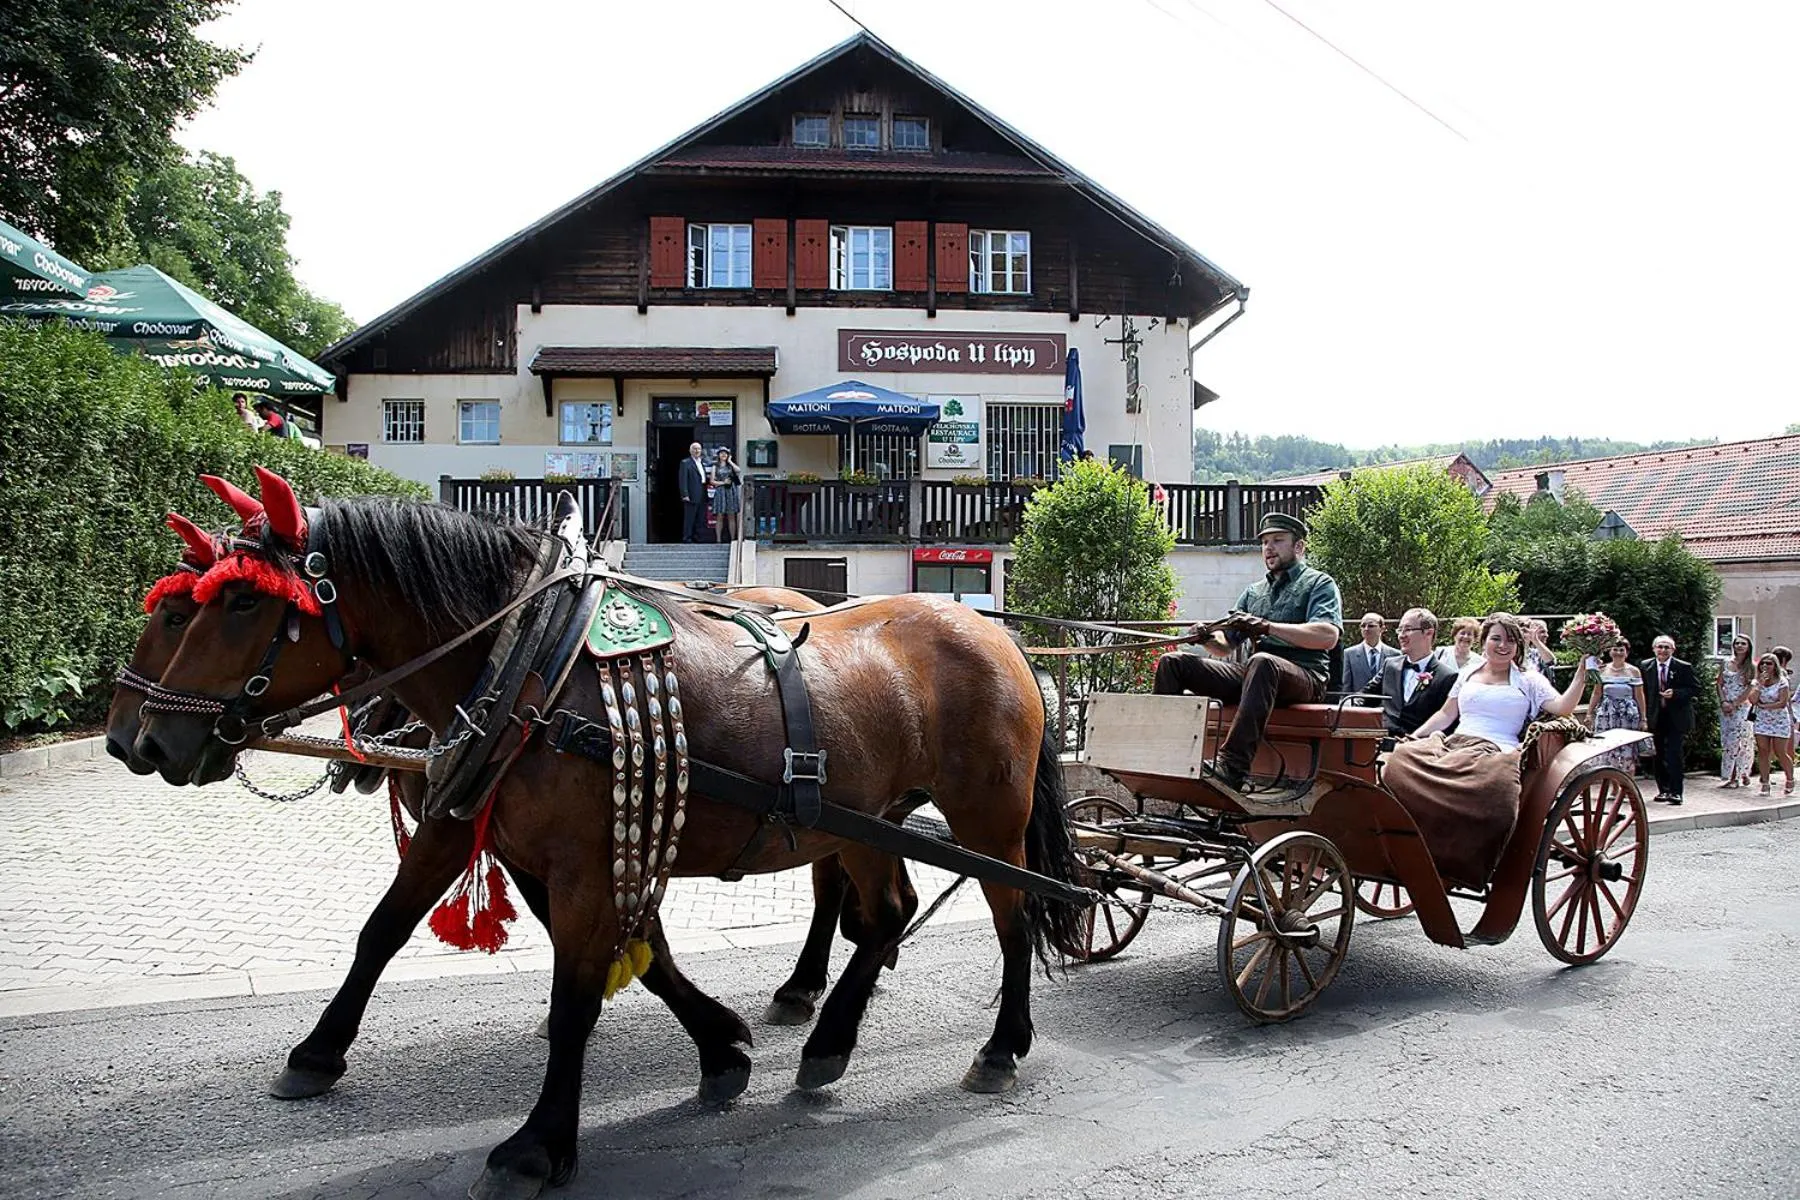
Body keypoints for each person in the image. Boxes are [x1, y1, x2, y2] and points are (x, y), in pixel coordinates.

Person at [1384, 613, 1590, 885]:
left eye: (1510, 640)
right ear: (1484, 642)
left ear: (1519, 646)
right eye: (1496, 638)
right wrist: (1414, 736)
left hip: (1498, 749)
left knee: (1498, 794)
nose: (1503, 645)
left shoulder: (1530, 680)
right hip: (1456, 743)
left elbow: (1563, 708)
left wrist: (1583, 673)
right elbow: (1446, 715)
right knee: (1397, 763)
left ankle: (1465, 862)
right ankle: (1416, 847)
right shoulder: (1467, 674)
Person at [1152, 512, 1342, 792]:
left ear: (1299, 547)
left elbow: (1328, 636)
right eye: (1265, 542)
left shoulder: (1319, 583)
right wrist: (1205, 637)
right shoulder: (1254, 592)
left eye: (1278, 541)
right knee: (1173, 663)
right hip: (1258, 675)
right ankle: (1165, 754)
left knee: (1263, 662)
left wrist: (1268, 627)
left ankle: (1232, 766)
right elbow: (1224, 645)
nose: (1269, 548)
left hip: (1305, 677)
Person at [1362, 607, 1457, 736]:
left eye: (1408, 629)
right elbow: (1364, 697)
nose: (1401, 635)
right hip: (1381, 741)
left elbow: (1447, 723)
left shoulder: (1447, 677)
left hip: (1418, 748)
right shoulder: (1390, 665)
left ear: (1428, 633)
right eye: (1400, 630)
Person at [1640, 634, 1698, 805]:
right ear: (1654, 649)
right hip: (1655, 716)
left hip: (1676, 717)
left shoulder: (1683, 667)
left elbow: (1694, 689)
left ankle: (1676, 792)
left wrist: (1676, 694)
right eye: (1660, 647)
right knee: (1658, 755)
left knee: (1674, 754)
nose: (1663, 650)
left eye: (1667, 647)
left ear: (1673, 650)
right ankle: (1663, 790)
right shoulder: (1646, 666)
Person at [1585, 637, 1648, 774]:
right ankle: (1613, 787)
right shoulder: (1602, 670)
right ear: (1610, 652)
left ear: (1627, 653)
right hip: (1607, 714)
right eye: (1615, 649)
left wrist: (1643, 718)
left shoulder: (1634, 671)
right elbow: (1596, 693)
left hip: (1628, 715)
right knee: (1608, 750)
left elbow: (1639, 695)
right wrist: (1589, 713)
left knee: (1627, 750)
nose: (1618, 652)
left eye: (1621, 650)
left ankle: (1626, 786)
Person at [1750, 652, 1795, 796]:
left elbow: (1782, 702)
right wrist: (1760, 685)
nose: (1765, 666)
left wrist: (1765, 706)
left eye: (1768, 663)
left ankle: (1789, 779)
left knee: (1780, 752)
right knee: (1763, 751)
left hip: (1779, 720)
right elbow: (1753, 700)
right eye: (1762, 663)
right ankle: (1765, 783)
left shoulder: (1782, 681)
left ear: (1774, 665)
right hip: (1762, 720)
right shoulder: (1757, 681)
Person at [1716, 635, 1757, 789]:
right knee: (1727, 742)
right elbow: (1719, 684)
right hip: (1726, 708)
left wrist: (1735, 703)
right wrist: (1723, 702)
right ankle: (1731, 774)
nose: (1739, 646)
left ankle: (1739, 775)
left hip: (1741, 708)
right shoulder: (1726, 663)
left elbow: (1750, 688)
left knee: (1741, 742)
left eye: (1743, 643)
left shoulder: (1751, 666)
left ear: (1748, 647)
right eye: (1737, 643)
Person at [1344, 612, 1400, 693]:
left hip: (1385, 703)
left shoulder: (1395, 655)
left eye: (1371, 626)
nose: (1366, 629)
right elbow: (1346, 685)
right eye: (1363, 626)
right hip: (1358, 703)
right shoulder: (1349, 654)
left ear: (1382, 629)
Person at [709, 447, 742, 543]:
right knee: (720, 516)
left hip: (731, 491)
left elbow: (738, 470)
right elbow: (712, 481)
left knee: (732, 515)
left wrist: (730, 461)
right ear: (718, 455)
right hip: (720, 491)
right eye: (721, 453)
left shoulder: (730, 466)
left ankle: (733, 539)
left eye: (726, 453)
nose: (723, 455)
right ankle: (718, 539)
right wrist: (723, 482)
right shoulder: (715, 466)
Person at [678, 442, 708, 543]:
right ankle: (687, 538)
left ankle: (698, 537)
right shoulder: (685, 463)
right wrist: (685, 494)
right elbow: (683, 480)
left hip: (702, 492)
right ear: (690, 451)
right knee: (690, 518)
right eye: (694, 449)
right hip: (691, 493)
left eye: (699, 449)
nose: (697, 451)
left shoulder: (702, 462)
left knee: (700, 517)